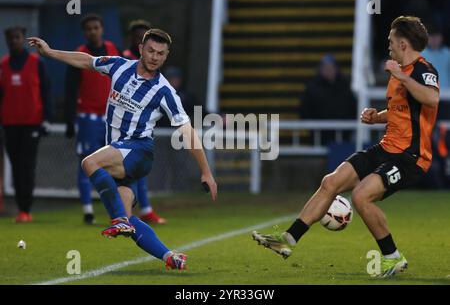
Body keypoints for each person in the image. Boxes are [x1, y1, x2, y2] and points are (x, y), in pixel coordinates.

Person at [252, 16, 439, 278]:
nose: (388, 45)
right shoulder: (399, 72)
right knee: (331, 182)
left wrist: (402, 76)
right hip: (387, 147)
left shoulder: (422, 70)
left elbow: (431, 98)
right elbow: (403, 110)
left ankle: (392, 257)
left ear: (404, 43)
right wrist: (378, 117)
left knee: (361, 196)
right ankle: (288, 239)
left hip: (411, 156)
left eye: (391, 41)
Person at [28, 28, 217, 270]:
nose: (154, 57)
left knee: (89, 163)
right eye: (150, 50)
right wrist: (50, 52)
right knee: (128, 220)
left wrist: (206, 171)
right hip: (119, 153)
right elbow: (86, 61)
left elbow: (187, 131)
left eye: (161, 53)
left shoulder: (164, 91)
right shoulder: (119, 65)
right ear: (141, 49)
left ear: (166, 57)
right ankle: (170, 257)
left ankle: (119, 220)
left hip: (139, 149)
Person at [65, 14, 121, 225]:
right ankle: (88, 210)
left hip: (112, 118)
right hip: (88, 117)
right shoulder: (79, 55)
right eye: (88, 29)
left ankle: (115, 211)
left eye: (96, 27)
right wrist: (70, 120)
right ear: (84, 32)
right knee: (87, 162)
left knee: (114, 165)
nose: (92, 32)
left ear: (102, 28)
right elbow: (70, 89)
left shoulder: (114, 50)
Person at [0, 26, 51, 223]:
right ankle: (21, 209)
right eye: (10, 38)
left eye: (17, 37)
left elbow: (46, 92)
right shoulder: (3, 65)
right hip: (10, 124)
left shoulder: (37, 63)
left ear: (23, 39)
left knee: (27, 166)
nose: (14, 41)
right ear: (6, 40)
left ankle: (25, 209)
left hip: (32, 124)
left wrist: (46, 119)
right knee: (15, 166)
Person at [122, 19, 166, 225]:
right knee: (100, 167)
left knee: (137, 168)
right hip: (120, 125)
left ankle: (140, 210)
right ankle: (122, 212)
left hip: (141, 126)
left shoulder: (154, 69)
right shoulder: (124, 61)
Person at [300, 54, 356, 145]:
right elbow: (305, 110)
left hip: (342, 136)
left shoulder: (344, 86)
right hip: (319, 136)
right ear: (320, 70)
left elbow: (353, 108)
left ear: (336, 69)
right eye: (326, 68)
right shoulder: (313, 88)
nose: (329, 71)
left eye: (331, 67)